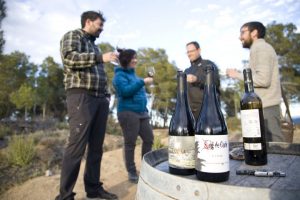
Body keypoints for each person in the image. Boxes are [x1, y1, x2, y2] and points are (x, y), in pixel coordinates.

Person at [56, 11, 119, 200]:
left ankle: (93, 189)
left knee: (96, 148)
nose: (102, 28)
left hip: (100, 99)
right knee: (76, 146)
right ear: (88, 22)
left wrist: (106, 96)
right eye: (99, 24)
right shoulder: (72, 36)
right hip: (81, 96)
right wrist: (100, 58)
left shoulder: (94, 46)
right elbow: (69, 59)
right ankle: (65, 196)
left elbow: (98, 74)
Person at [226, 21, 284, 142]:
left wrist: (236, 75)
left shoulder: (260, 48)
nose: (240, 37)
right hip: (264, 107)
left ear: (254, 33)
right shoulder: (258, 48)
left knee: (276, 147)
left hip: (267, 108)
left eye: (243, 32)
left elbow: (263, 80)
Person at [113, 49, 154, 184]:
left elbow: (140, 94)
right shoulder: (119, 76)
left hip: (142, 113)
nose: (135, 60)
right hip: (127, 113)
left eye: (136, 58)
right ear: (125, 59)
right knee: (130, 143)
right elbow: (125, 92)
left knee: (148, 139)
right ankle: (131, 171)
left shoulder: (135, 76)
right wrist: (142, 82)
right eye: (133, 58)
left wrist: (145, 109)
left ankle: (146, 168)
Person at [184, 41, 221, 120]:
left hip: (208, 111)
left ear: (199, 50)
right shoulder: (186, 71)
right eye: (187, 52)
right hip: (190, 114)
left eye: (191, 51)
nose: (189, 54)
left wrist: (196, 79)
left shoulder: (208, 64)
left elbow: (215, 82)